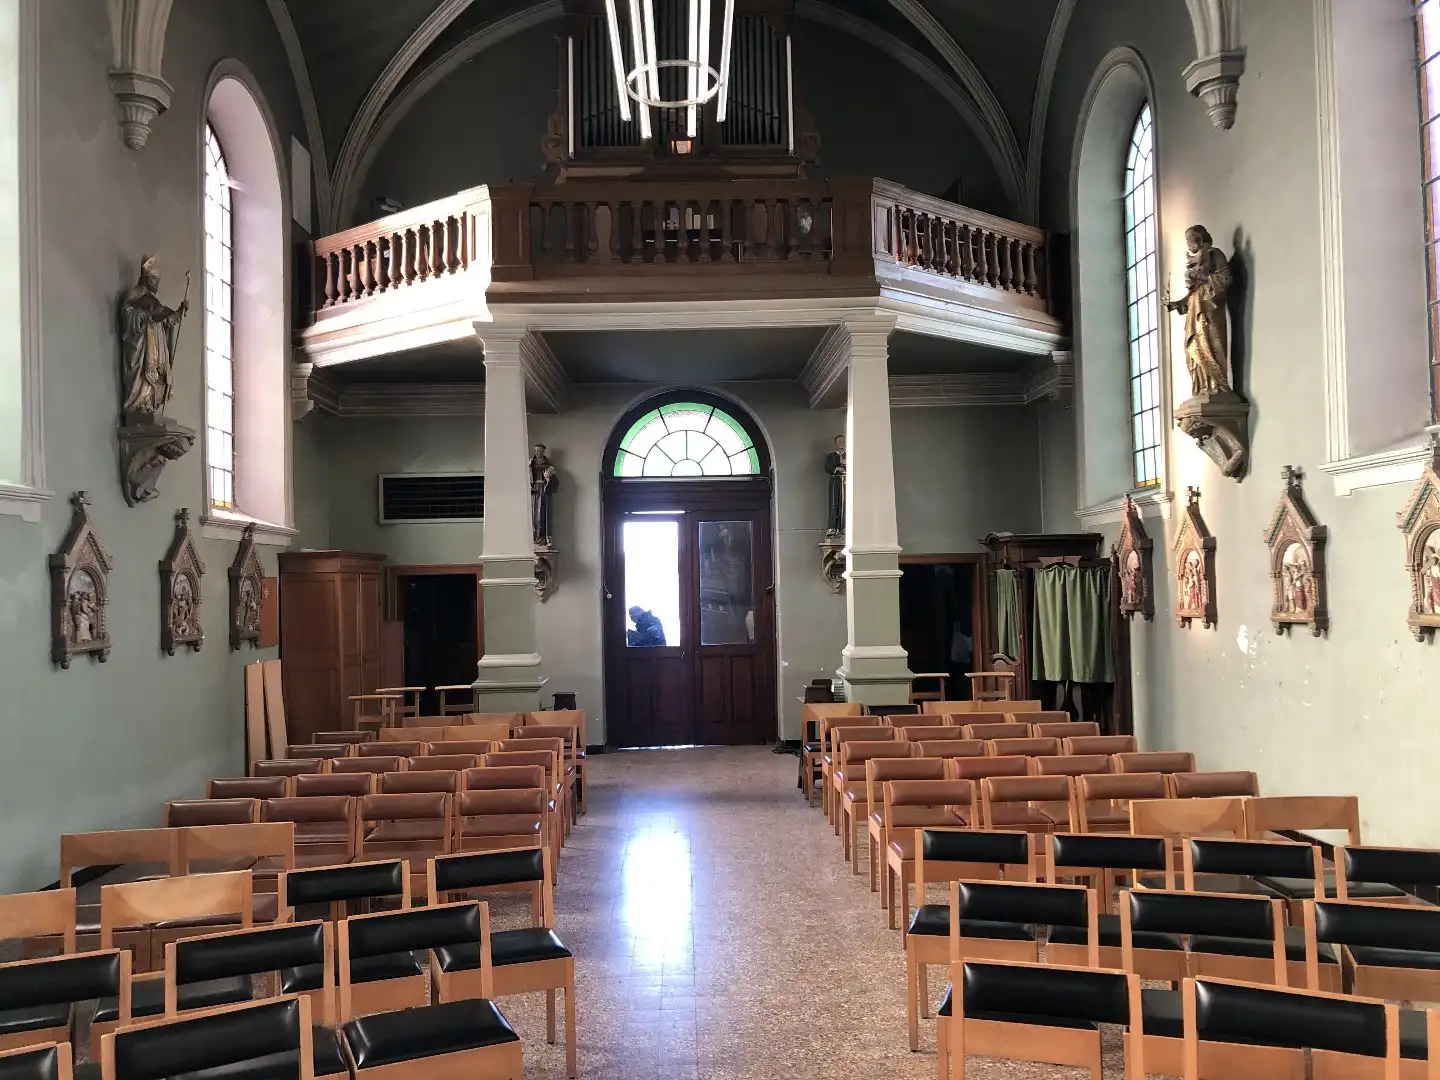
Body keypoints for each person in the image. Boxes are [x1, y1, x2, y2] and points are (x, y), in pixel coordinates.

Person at [823, 434, 846, 538]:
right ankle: (833, 528)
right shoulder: (831, 456)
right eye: (839, 441)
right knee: (834, 503)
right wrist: (837, 468)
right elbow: (828, 468)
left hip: (846, 482)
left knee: (845, 504)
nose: (842, 443)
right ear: (835, 443)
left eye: (843, 441)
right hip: (835, 481)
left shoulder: (849, 456)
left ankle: (844, 527)